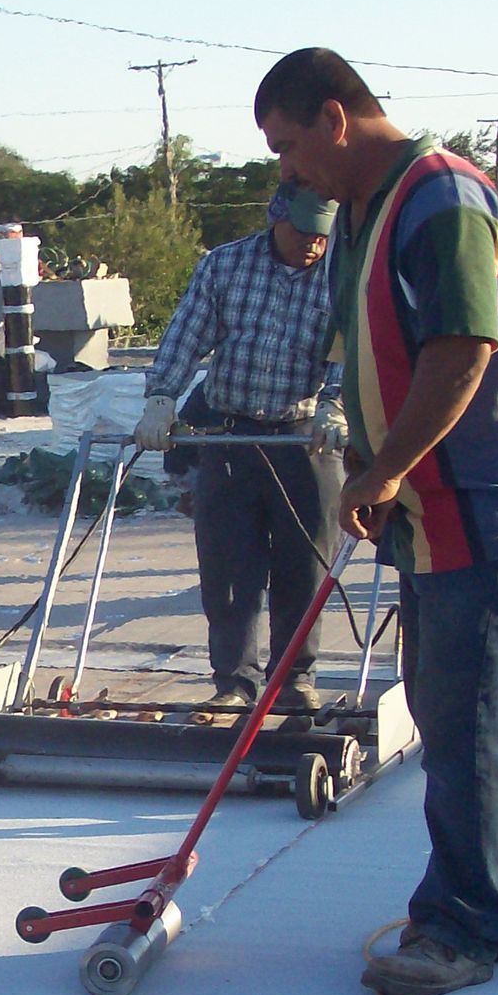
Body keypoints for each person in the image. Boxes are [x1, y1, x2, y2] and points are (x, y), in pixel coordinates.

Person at [254, 48, 498, 995]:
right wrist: (384, 470)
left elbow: (461, 348)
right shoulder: (366, 210)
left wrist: (385, 465)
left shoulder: (439, 197)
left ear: (335, 117)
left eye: (288, 145)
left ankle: (456, 930)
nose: (287, 169)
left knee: (468, 720)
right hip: (437, 509)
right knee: (467, 712)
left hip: (495, 504)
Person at [135, 182, 346, 721]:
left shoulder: (344, 271)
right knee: (229, 569)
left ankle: (294, 680)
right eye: (303, 232)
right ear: (276, 218)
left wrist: (339, 405)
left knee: (305, 566)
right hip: (230, 436)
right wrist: (162, 397)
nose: (313, 245)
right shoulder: (225, 267)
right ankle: (234, 683)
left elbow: (356, 346)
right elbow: (186, 335)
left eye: (322, 236)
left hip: (305, 436)